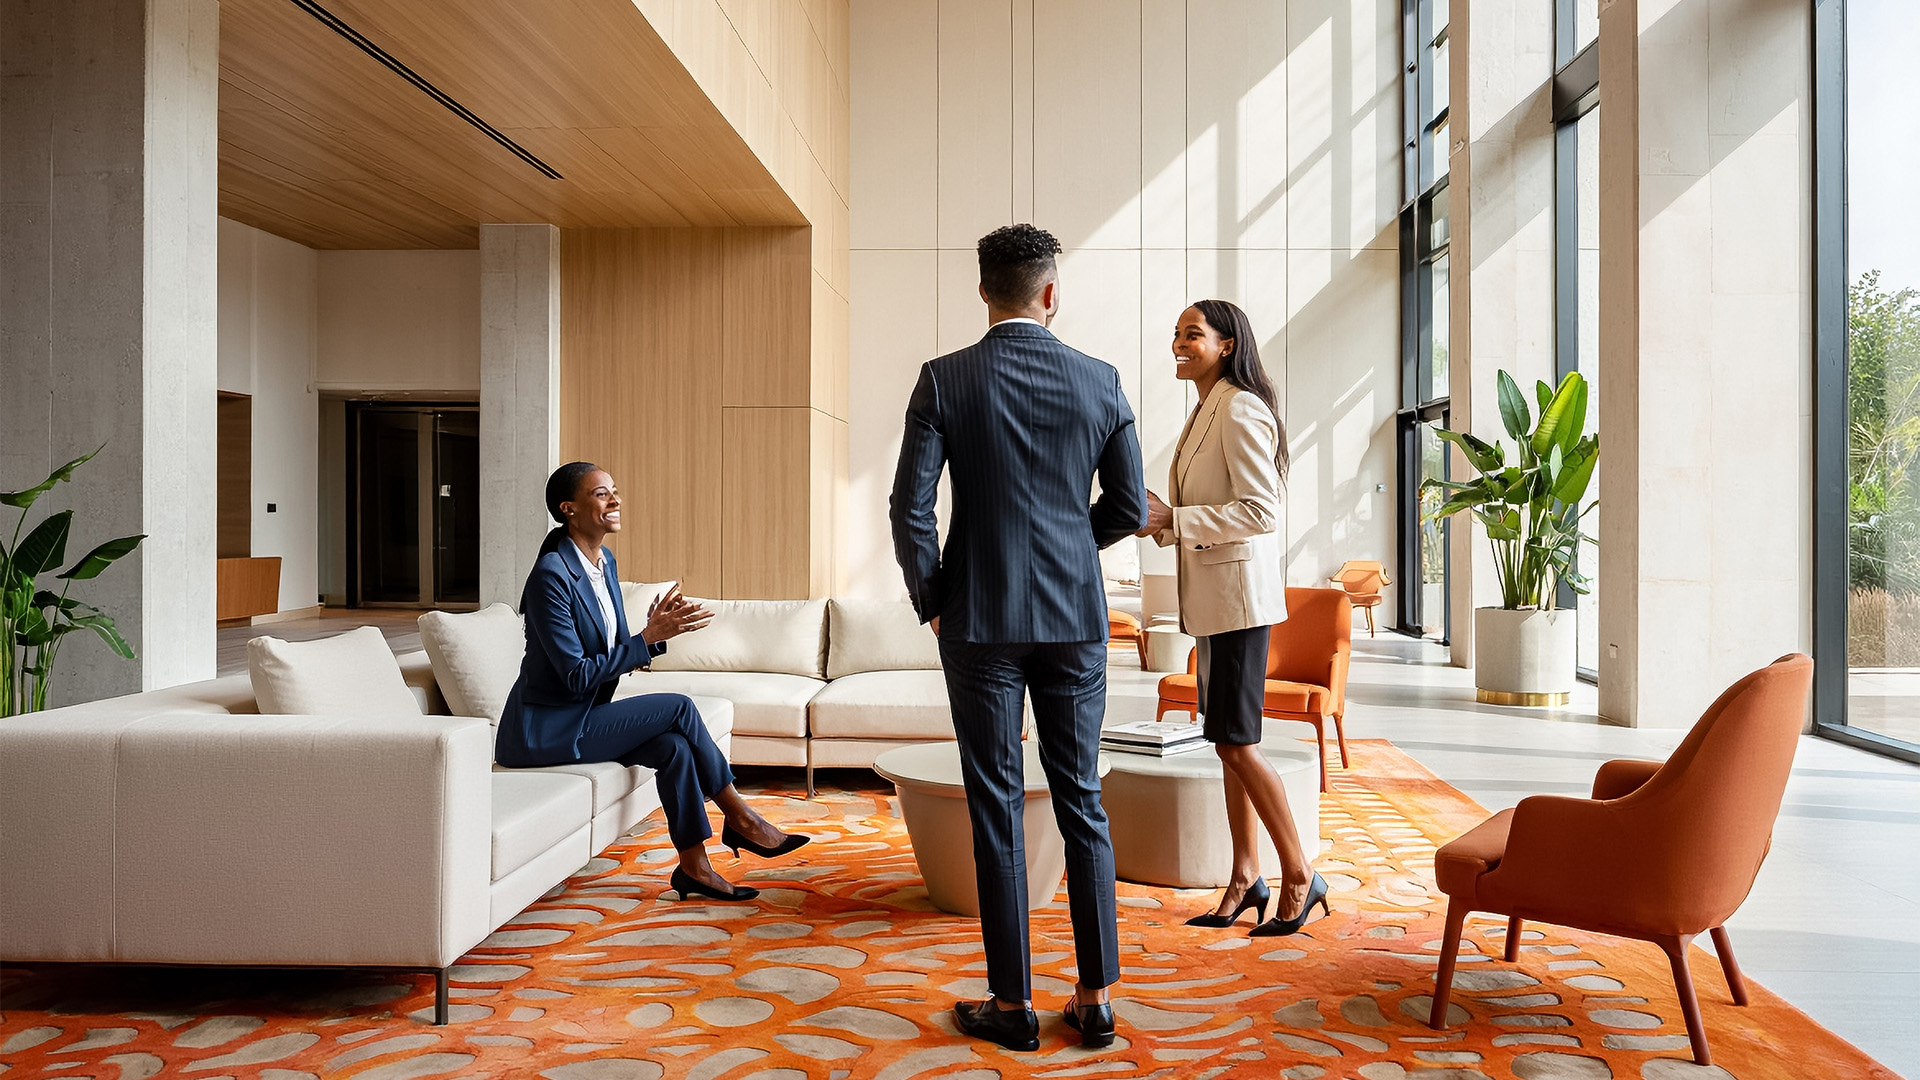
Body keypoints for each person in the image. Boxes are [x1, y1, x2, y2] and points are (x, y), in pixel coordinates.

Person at [891, 224, 1147, 1051]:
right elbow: (1128, 505)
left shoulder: (945, 378)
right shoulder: (1102, 380)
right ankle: (1095, 998)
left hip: (979, 617)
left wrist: (935, 598)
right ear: (1051, 292)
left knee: (996, 803)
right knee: (1082, 802)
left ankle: (1012, 1006)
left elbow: (909, 508)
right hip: (1075, 619)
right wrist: (1070, 546)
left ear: (983, 291)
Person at [496, 462, 809, 902]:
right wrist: (645, 639)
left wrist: (655, 634)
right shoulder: (551, 575)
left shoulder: (603, 563)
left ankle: (695, 868)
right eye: (601, 494)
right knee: (679, 707)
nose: (615, 500)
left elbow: (610, 647)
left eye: (614, 491)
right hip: (543, 730)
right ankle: (741, 817)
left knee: (673, 748)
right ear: (569, 509)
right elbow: (576, 675)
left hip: (582, 715)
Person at [1138, 300, 1328, 937]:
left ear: (1227, 344)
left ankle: (1300, 874)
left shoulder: (1241, 407)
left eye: (1192, 333)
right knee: (1225, 742)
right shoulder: (1205, 408)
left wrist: (1174, 518)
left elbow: (1260, 511)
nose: (1179, 343)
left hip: (1240, 606)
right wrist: (1163, 521)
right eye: (1176, 332)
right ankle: (1245, 876)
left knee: (1237, 742)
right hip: (1215, 606)